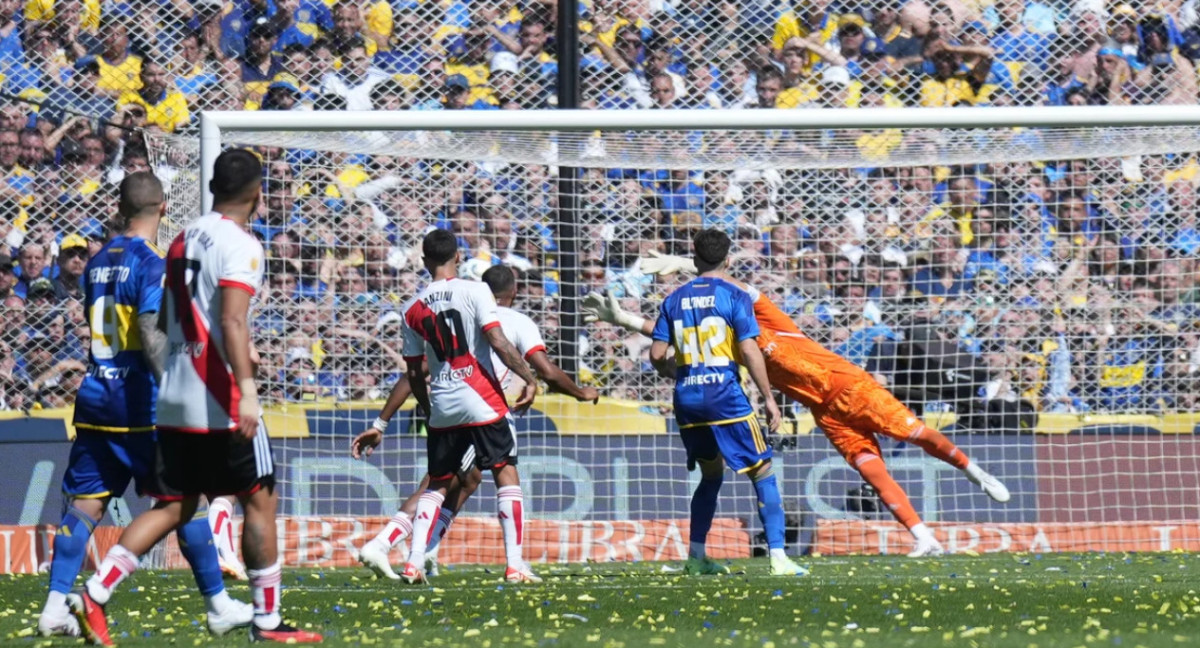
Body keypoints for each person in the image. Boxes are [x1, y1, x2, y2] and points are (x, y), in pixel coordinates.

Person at [584, 249, 1013, 558]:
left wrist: (687, 267)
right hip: (823, 410)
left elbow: (741, 287)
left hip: (850, 387)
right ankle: (924, 537)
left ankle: (974, 471)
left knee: (917, 434)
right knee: (870, 467)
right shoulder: (732, 342)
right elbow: (675, 335)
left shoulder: (771, 319)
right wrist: (623, 319)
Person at [68, 151, 323, 644]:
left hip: (176, 390)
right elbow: (231, 320)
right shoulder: (242, 244)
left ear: (210, 185)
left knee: (174, 506)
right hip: (220, 393)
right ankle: (267, 621)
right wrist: (247, 390)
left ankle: (95, 594)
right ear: (256, 193)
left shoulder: (185, 235)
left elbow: (166, 319)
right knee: (261, 500)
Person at [39, 172, 252, 639]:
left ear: (121, 206)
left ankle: (53, 608)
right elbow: (154, 335)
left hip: (96, 398)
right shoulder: (152, 262)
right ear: (162, 205)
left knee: (85, 507)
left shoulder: (97, 262)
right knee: (185, 500)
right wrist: (178, 390)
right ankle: (218, 605)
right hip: (141, 404)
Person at [353, 264, 599, 579]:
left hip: (450, 405)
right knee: (452, 481)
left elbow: (413, 373)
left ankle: (423, 552)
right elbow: (547, 371)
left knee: (464, 479)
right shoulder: (516, 321)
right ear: (515, 291)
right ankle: (385, 543)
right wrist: (579, 392)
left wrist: (382, 422)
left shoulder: (464, 314)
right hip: (486, 407)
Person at [646, 229, 804, 577]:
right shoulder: (734, 294)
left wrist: (678, 371)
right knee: (762, 471)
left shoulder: (673, 299)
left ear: (694, 258)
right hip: (724, 394)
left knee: (711, 475)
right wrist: (768, 399)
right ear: (728, 260)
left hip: (688, 398)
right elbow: (749, 349)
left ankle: (696, 556)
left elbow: (656, 354)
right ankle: (778, 556)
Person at [395, 230, 541, 584]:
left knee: (438, 483)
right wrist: (530, 377)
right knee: (505, 472)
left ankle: (413, 562)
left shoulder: (412, 308)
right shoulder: (476, 290)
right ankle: (515, 564)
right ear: (457, 257)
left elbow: (414, 371)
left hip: (443, 399)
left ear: (424, 261)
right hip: (481, 396)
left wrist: (429, 407)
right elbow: (497, 340)